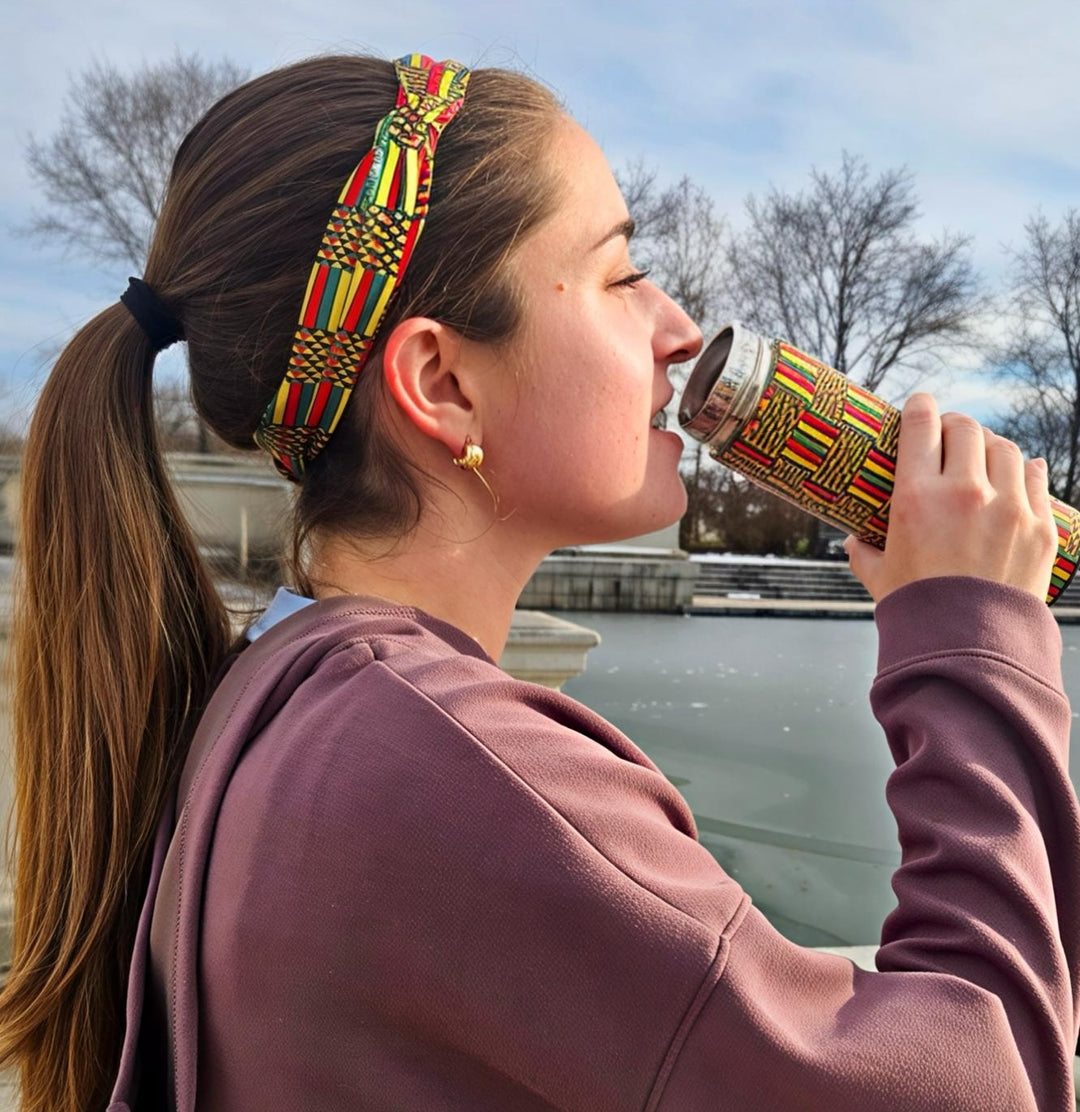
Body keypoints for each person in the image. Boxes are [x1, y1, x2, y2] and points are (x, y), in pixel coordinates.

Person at [0, 50, 1076, 1112]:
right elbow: (989, 1086)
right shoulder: (456, 768)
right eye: (620, 274)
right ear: (443, 383)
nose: (680, 331)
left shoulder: (291, 697)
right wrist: (975, 640)